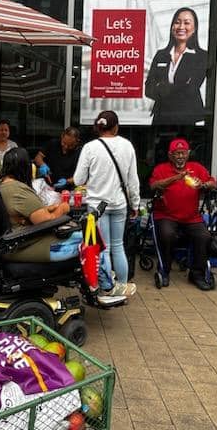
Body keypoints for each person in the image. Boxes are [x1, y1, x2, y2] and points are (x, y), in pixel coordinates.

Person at [0, 148, 127, 305]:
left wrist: (49, 209)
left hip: (17, 241)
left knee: (85, 234)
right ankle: (105, 288)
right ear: (24, 167)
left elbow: (27, 214)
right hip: (26, 245)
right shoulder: (18, 190)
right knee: (90, 238)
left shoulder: (2, 186)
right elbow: (47, 220)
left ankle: (99, 281)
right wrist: (63, 208)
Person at [73, 111, 139, 297]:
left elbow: (78, 179)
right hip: (119, 205)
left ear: (98, 127)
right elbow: (133, 181)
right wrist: (134, 204)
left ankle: (107, 289)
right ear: (116, 127)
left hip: (96, 208)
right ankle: (123, 287)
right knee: (118, 246)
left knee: (105, 248)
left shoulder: (90, 147)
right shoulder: (127, 146)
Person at [149, 138, 217, 290]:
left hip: (191, 217)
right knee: (167, 234)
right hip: (166, 215)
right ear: (170, 155)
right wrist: (176, 177)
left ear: (188, 154)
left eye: (183, 153)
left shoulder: (196, 167)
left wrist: (204, 185)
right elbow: (154, 185)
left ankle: (197, 274)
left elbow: (213, 182)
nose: (180, 156)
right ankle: (164, 271)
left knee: (204, 236)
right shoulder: (161, 169)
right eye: (177, 153)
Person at [144, 7, 208, 126]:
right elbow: (148, 89)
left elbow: (191, 88)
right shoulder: (161, 55)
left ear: (194, 29)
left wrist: (162, 87)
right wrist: (178, 87)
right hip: (161, 116)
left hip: (186, 118)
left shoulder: (202, 56)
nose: (181, 27)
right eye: (177, 22)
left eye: (187, 23)